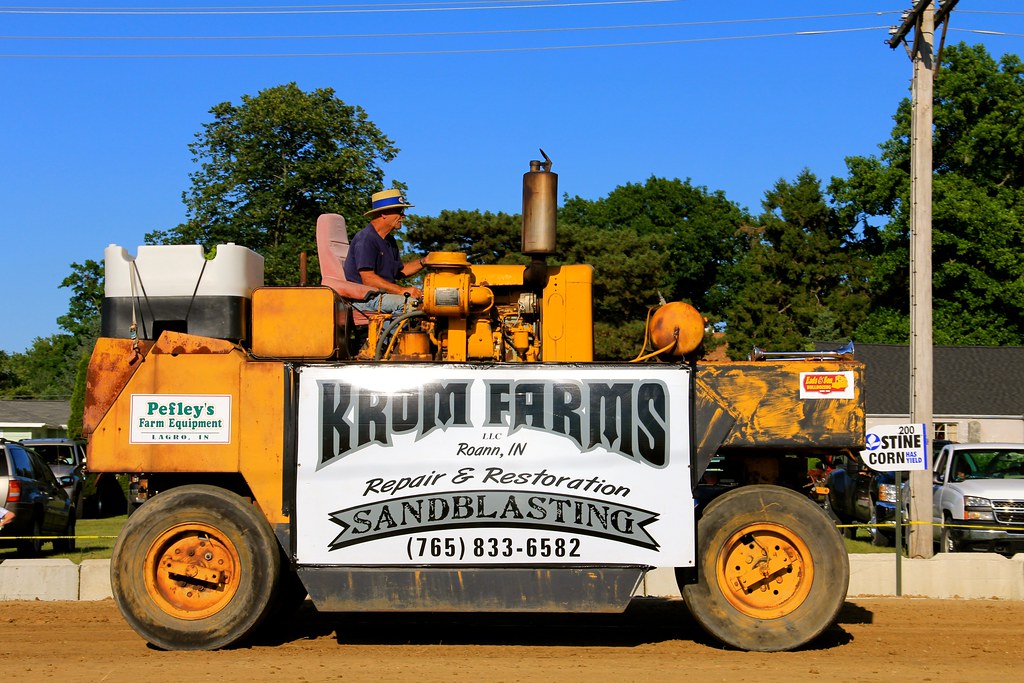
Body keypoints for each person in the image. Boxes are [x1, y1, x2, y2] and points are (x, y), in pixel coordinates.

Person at [344, 189, 426, 314]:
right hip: (365, 299)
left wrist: (425, 261)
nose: (403, 216)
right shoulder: (366, 239)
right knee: (411, 305)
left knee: (430, 304)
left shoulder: (390, 241)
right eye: (399, 211)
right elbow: (368, 279)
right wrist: (401, 290)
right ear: (384, 214)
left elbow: (399, 271)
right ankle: (394, 334)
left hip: (383, 296)